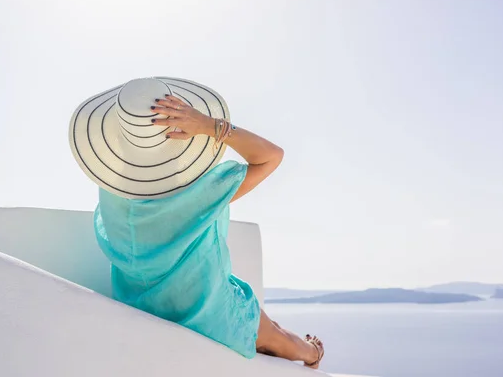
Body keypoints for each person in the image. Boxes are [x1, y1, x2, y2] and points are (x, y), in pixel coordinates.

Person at [69, 77, 324, 368]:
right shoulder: (200, 193)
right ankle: (312, 353)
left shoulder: (113, 191)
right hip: (202, 309)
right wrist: (209, 125)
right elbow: (271, 156)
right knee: (271, 332)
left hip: (138, 300)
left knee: (256, 316)